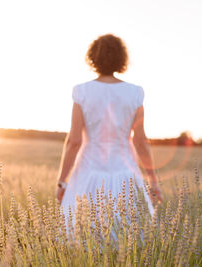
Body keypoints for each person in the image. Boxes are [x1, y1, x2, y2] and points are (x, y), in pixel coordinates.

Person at [55, 33, 163, 243]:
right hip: (125, 171)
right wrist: (153, 181)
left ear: (93, 58)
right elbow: (141, 142)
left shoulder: (82, 92)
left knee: (82, 237)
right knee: (130, 238)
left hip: (88, 171)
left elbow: (74, 141)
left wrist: (61, 182)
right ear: (121, 59)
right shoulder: (134, 93)